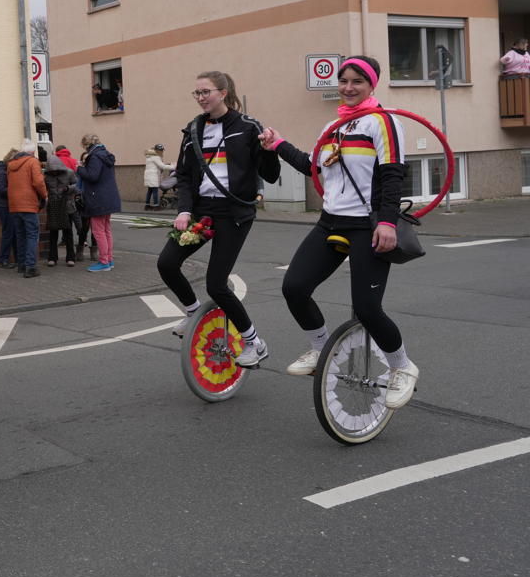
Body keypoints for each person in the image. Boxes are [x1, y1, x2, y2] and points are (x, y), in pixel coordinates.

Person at [261, 56, 420, 409]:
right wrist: (278, 144)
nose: (348, 87)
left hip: (368, 225)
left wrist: (388, 222)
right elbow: (313, 166)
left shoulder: (383, 122)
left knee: (367, 309)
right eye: (344, 80)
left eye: (357, 82)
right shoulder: (334, 127)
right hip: (331, 221)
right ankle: (320, 349)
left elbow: (393, 175)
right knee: (294, 287)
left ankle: (402, 367)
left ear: (371, 85)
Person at [160, 71, 279, 365]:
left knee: (216, 284)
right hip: (203, 212)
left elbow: (271, 174)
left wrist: (270, 151)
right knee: (167, 263)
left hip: (234, 212)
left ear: (223, 93)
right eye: (197, 93)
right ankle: (192, 313)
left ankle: (254, 342)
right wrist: (184, 210)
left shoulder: (247, 126)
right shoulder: (193, 130)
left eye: (206, 92)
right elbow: (185, 176)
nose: (201, 98)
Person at [78, 133, 121, 272]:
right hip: (109, 197)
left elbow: (92, 176)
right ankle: (109, 259)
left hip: (98, 198)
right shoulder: (105, 154)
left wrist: (79, 168)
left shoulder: (94, 156)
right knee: (106, 230)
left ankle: (104, 262)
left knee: (98, 231)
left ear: (87, 145)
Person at [6, 140, 47, 277]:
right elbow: (38, 182)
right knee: (31, 235)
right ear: (33, 152)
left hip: (14, 205)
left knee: (20, 235)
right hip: (28, 204)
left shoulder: (10, 165)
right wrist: (45, 195)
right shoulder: (33, 162)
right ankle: (31, 267)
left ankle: (21, 264)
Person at [44, 146, 78, 267]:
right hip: (53, 204)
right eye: (51, 170)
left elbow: (77, 186)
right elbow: (44, 189)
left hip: (67, 204)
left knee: (68, 232)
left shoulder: (69, 172)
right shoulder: (46, 176)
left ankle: (70, 257)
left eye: (55, 170)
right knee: (53, 232)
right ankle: (52, 258)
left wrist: (68, 188)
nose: (54, 172)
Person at [0, 149, 23, 269]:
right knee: (8, 232)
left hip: (9, 204)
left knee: (14, 232)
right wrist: (16, 189)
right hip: (4, 205)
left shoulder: (6, 170)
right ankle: (3, 259)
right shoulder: (1, 171)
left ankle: (16, 258)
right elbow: (1, 189)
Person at [143, 144, 173, 210]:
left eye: (162, 150)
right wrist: (174, 167)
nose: (162, 152)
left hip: (149, 175)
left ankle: (147, 205)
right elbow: (162, 166)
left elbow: (158, 165)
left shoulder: (150, 156)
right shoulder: (155, 157)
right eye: (161, 150)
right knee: (155, 191)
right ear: (157, 150)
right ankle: (156, 206)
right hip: (153, 175)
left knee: (150, 190)